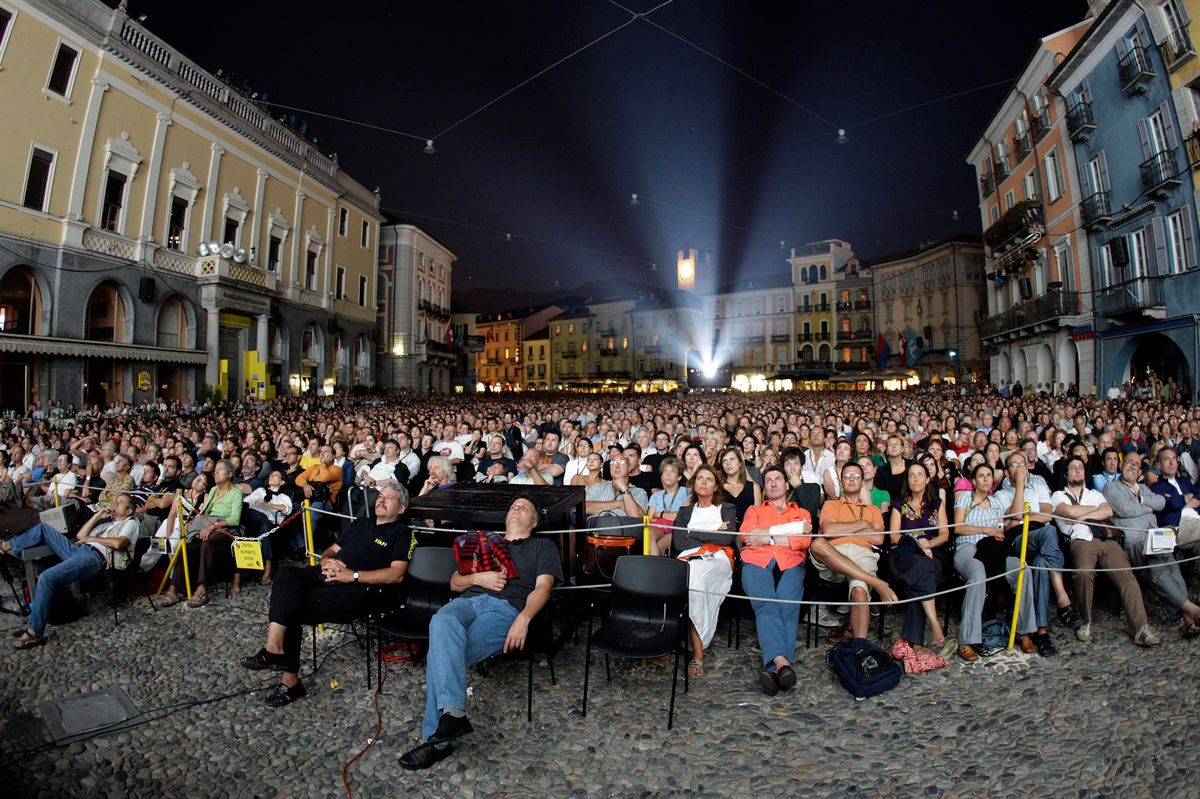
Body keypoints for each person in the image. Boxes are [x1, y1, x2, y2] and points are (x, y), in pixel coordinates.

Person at [398, 495, 561, 770]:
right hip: (467, 602)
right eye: (512, 506)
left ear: (533, 522)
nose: (516, 509)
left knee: (442, 657)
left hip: (505, 609)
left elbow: (543, 588)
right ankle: (453, 715)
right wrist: (478, 578)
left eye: (524, 508)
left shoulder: (543, 546)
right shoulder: (484, 543)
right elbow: (454, 582)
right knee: (441, 621)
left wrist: (524, 618)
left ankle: (437, 740)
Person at [240, 483, 413, 706]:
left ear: (401, 508)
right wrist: (326, 561)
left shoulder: (402, 533)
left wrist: (352, 575)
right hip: (328, 574)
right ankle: (273, 648)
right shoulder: (361, 523)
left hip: (358, 589)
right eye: (380, 496)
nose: (381, 500)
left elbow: (396, 575)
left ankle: (289, 680)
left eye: (389, 498)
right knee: (286, 575)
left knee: (292, 608)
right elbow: (332, 549)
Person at [3, 494, 139, 649]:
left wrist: (93, 540)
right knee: (44, 528)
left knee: (46, 578)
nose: (115, 503)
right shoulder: (108, 524)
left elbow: (119, 543)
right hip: (80, 550)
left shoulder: (131, 523)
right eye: (116, 501)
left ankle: (34, 632)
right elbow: (81, 535)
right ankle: (7, 545)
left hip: (95, 558)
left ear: (129, 511)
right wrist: (98, 516)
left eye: (120, 502)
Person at [1050, 456, 1161, 645]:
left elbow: (1108, 511)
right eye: (1073, 468)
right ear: (1066, 473)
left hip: (1106, 538)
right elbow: (1067, 513)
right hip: (1080, 541)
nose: (1077, 470)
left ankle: (1141, 629)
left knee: (1126, 576)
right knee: (1084, 573)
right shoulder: (1058, 495)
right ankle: (1085, 622)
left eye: (1080, 467)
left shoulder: (1094, 492)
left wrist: (1080, 514)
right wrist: (1092, 512)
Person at [1103, 452, 1200, 638]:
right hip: (1134, 539)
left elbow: (1162, 502)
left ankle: (1188, 619)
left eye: (1136, 464)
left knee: (1172, 566)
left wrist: (1141, 500)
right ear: (1122, 466)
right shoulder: (1111, 487)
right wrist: (1148, 507)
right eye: (1129, 462)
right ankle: (1192, 610)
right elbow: (1125, 509)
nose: (1132, 466)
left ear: (1140, 471)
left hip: (1156, 535)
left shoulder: (1143, 488)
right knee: (1156, 567)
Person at [951, 462, 1038, 661]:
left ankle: (1024, 631)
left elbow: (1009, 520)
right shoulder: (965, 497)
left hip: (991, 551)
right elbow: (958, 527)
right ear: (973, 480)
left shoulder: (996, 502)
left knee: (1023, 570)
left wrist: (1020, 484)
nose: (985, 479)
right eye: (980, 475)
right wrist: (986, 530)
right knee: (978, 575)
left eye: (988, 475)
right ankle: (968, 640)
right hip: (968, 548)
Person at [738, 465, 811, 695]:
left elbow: (803, 541)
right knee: (767, 605)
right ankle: (783, 664)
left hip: (791, 563)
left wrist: (766, 535)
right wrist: (787, 533)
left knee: (787, 610)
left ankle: (773, 668)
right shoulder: (754, 510)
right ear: (765, 487)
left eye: (778, 478)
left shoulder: (802, 513)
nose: (773, 483)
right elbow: (748, 537)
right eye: (768, 480)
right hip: (756, 562)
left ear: (787, 485)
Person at [813, 462, 896, 643]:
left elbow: (878, 539)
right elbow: (828, 531)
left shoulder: (873, 510)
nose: (851, 479)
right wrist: (863, 525)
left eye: (856, 476)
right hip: (833, 557)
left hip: (862, 555)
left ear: (863, 483)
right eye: (847, 476)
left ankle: (860, 647)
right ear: (841, 483)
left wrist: (842, 529)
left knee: (859, 590)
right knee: (818, 543)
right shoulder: (831, 505)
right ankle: (877, 583)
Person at [668, 464, 737, 679]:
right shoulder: (685, 512)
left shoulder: (726, 509)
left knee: (693, 576)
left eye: (709, 479)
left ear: (716, 485)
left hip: (717, 559)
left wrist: (693, 534)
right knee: (684, 574)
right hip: (688, 559)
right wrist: (713, 531)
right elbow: (679, 542)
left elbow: (726, 539)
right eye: (699, 478)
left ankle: (697, 653)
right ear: (693, 483)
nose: (704, 482)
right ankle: (667, 639)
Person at [887, 463, 953, 658]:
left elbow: (944, 534)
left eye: (920, 475)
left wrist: (929, 545)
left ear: (927, 479)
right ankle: (934, 624)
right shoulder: (899, 505)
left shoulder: (937, 504)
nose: (915, 478)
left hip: (932, 556)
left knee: (922, 574)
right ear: (907, 481)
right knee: (923, 570)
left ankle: (915, 642)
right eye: (911, 475)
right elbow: (893, 537)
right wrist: (918, 545)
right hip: (904, 557)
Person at [161, 460, 243, 608]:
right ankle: (175, 588)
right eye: (215, 471)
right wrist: (193, 522)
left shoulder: (236, 492)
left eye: (220, 470)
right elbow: (205, 511)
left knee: (207, 544)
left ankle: (202, 587)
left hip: (225, 528)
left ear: (230, 474)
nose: (216, 473)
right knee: (187, 546)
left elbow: (235, 519)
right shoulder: (213, 490)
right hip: (208, 524)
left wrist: (212, 527)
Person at [647, 457, 690, 556]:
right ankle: (651, 566)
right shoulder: (655, 496)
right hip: (659, 528)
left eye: (672, 471)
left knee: (660, 545)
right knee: (648, 533)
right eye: (665, 471)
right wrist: (670, 515)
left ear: (679, 477)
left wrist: (660, 514)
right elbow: (650, 519)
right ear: (661, 477)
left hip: (678, 529)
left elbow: (683, 516)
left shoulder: (687, 492)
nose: (668, 474)